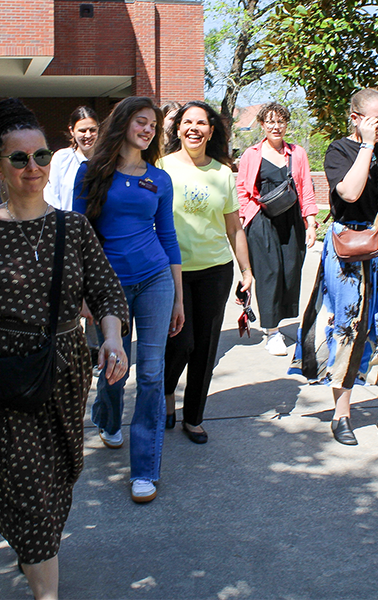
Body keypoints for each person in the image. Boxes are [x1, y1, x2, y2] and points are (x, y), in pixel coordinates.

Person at [0, 98, 129, 599]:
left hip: (64, 371)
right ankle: (45, 586)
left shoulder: (72, 228)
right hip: (0, 375)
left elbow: (106, 292)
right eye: (19, 158)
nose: (32, 168)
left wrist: (114, 337)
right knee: (27, 486)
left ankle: (32, 547)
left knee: (60, 476)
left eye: (40, 157)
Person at [293, 88, 378, 448]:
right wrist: (366, 146)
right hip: (349, 249)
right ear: (355, 118)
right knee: (349, 328)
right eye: (375, 120)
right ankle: (342, 415)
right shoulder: (340, 151)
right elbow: (349, 194)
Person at [73, 96, 184, 503]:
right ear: (122, 124)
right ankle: (107, 417)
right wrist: (83, 291)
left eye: (153, 125)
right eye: (141, 121)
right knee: (114, 365)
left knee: (152, 375)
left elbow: (169, 238)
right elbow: (77, 236)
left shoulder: (159, 178)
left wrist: (178, 298)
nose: (149, 130)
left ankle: (145, 471)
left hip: (156, 279)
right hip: (108, 284)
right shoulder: (90, 174)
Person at [160, 101, 253, 443]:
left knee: (206, 346)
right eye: (188, 122)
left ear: (211, 131)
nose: (194, 128)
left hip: (216, 269)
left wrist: (246, 269)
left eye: (202, 123)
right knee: (180, 343)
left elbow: (234, 228)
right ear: (178, 129)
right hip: (173, 271)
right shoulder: (161, 168)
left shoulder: (223, 173)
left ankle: (194, 416)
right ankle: (167, 393)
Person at [236, 102, 318, 356]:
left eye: (280, 121)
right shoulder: (252, 154)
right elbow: (242, 190)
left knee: (290, 272)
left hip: (291, 220)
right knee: (269, 273)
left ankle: (280, 321)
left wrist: (311, 222)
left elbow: (306, 188)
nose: (276, 126)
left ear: (286, 125)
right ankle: (272, 331)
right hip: (262, 220)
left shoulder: (297, 153)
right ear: (262, 124)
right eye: (270, 121)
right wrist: (245, 220)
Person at [44, 106, 99, 211]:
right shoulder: (61, 159)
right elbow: (52, 197)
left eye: (92, 130)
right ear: (72, 131)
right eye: (82, 131)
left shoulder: (105, 159)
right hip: (68, 223)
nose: (88, 135)